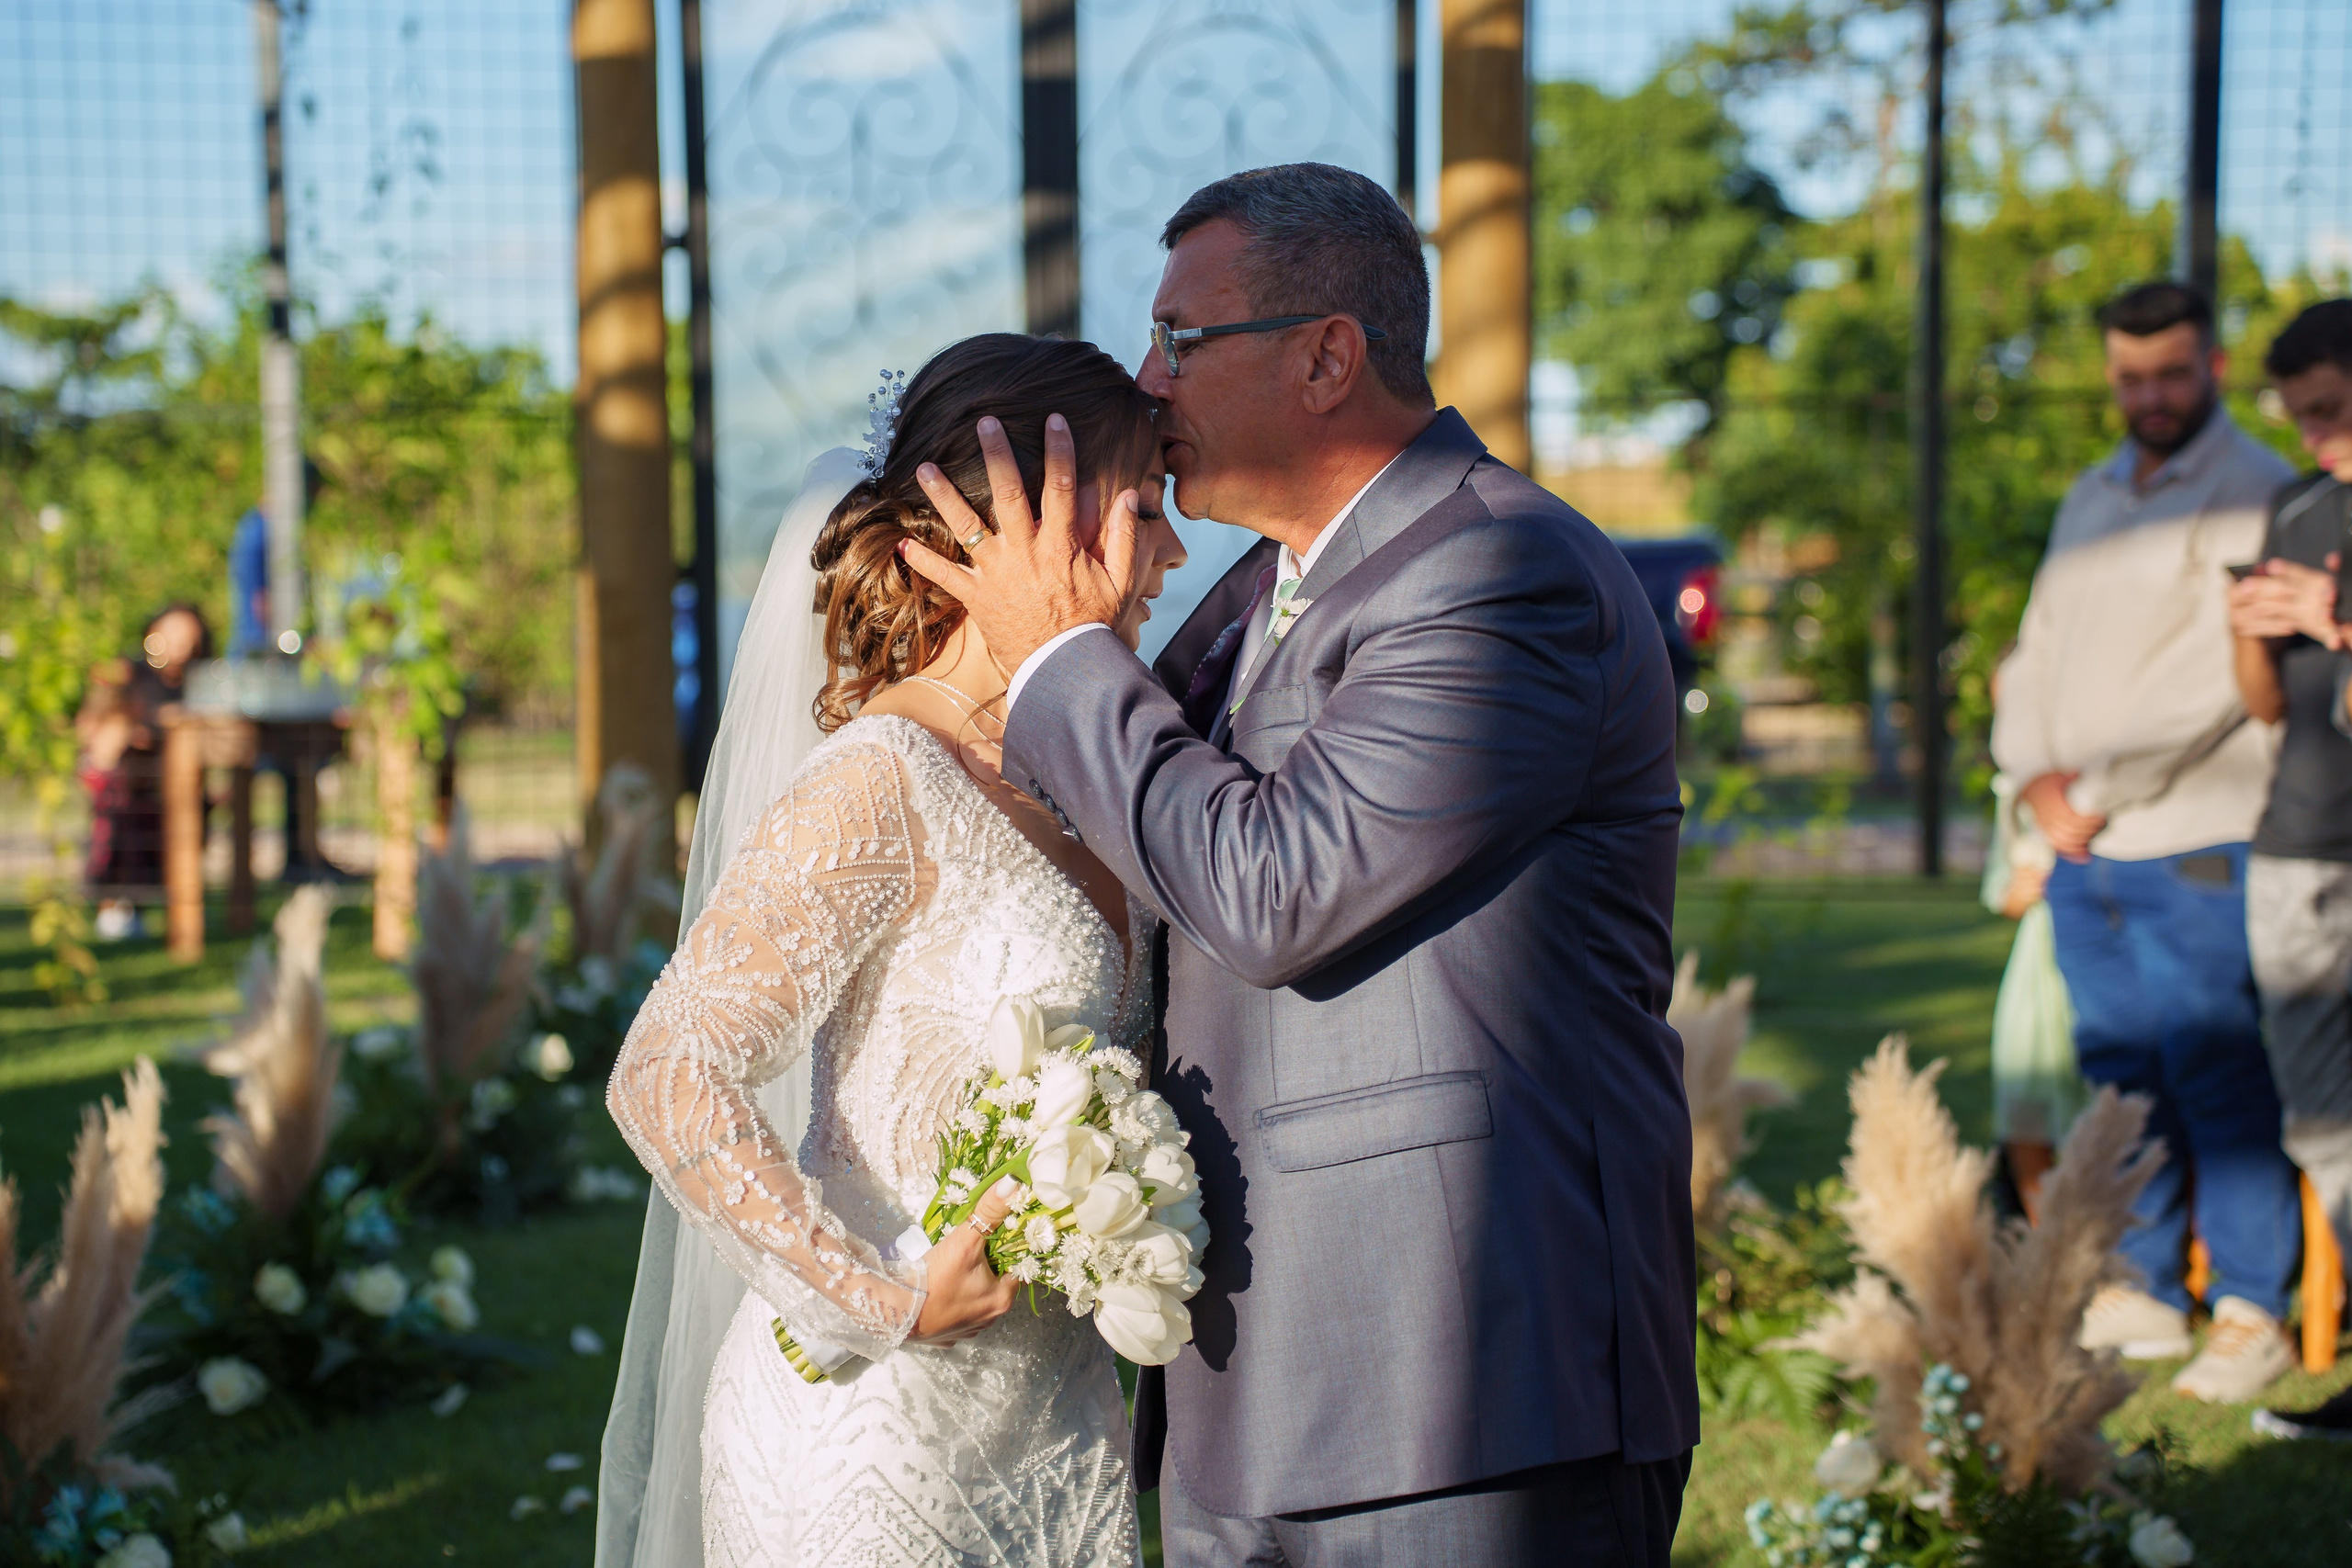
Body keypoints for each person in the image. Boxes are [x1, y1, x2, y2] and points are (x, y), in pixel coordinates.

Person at [903, 164, 1696, 1565]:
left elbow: (1276, 886)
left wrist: (1057, 658)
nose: (1150, 384)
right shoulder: (1266, 584)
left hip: (1463, 1384)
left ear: (1329, 354)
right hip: (1256, 1375)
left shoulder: (1504, 577)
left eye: (1181, 340)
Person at [595, 334, 1191, 1568]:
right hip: (864, 1444)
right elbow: (668, 1068)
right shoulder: (882, 776)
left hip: (1053, 1428)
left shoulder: (1075, 773)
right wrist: (880, 1297)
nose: (1174, 555)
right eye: (1146, 511)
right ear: (1034, 519)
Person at [1990, 280, 2301, 1404]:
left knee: (2217, 1068)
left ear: (2211, 367)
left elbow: (2219, 682)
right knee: (2119, 1073)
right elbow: (2031, 652)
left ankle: (2254, 1307)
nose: (2151, 395)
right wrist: (2034, 781)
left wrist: (2101, 785)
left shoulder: (2257, 489)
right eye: (2130, 377)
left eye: (2171, 373)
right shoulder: (2090, 493)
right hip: (2080, 850)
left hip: (2194, 834)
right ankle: (2148, 1288)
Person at [2229, 298, 2352, 1443]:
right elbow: (2267, 705)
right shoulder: (2299, 503)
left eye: (2330, 409)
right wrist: (2247, 627)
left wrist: (2333, 609)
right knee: (2320, 1117)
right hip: (2299, 844)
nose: (2312, 434)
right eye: (2298, 415)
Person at [78, 604, 212, 938]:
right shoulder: (127, 673)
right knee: (123, 830)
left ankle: (172, 908)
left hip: (169, 780)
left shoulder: (196, 681)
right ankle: (116, 906)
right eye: (175, 631)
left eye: (188, 634)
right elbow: (98, 725)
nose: (181, 641)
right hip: (128, 778)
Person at [1979, 765, 2078, 1224]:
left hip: (2112, 945)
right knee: (2026, 1102)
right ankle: (2047, 1247)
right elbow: (2001, 889)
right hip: (2039, 958)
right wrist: (2019, 891)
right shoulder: (2015, 784)